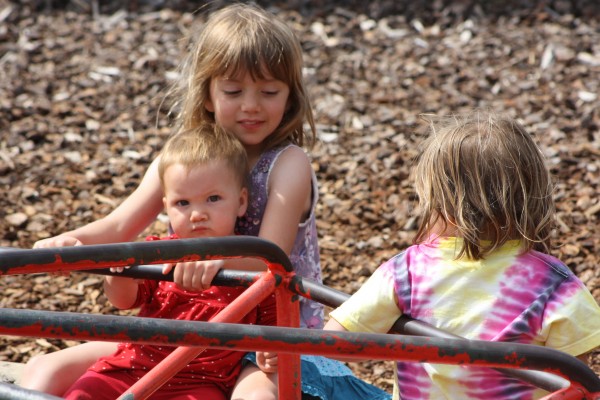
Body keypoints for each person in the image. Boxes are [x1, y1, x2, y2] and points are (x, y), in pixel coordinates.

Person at [21, 3, 390, 400]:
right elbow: (118, 227)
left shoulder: (287, 164)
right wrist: (68, 244)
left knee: (254, 397)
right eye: (234, 91)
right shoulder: (181, 160)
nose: (251, 105)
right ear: (209, 94)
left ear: (290, 96)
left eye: (269, 91)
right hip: (183, 320)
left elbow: (271, 257)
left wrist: (213, 260)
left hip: (261, 335)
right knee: (45, 368)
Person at [322, 111, 600, 399]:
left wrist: (391, 332)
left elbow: (335, 343)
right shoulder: (554, 285)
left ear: (444, 204)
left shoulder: (409, 271)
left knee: (307, 374)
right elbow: (576, 385)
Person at [63, 124, 266, 399]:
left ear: (241, 202)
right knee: (84, 391)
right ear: (166, 206)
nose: (197, 214)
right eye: (183, 203)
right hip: (131, 368)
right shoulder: (159, 253)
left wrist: (270, 354)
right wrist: (118, 273)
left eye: (213, 199)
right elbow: (123, 301)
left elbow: (274, 327)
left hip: (201, 383)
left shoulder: (250, 263)